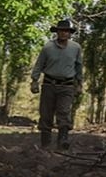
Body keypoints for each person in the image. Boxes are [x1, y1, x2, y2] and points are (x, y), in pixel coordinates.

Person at [30, 18, 83, 150]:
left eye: (67, 31)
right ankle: (45, 144)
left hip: (67, 85)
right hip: (49, 84)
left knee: (64, 112)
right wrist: (34, 80)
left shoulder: (75, 48)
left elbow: (79, 66)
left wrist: (80, 83)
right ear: (57, 32)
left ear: (70, 33)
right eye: (61, 31)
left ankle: (63, 141)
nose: (64, 33)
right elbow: (39, 64)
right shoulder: (48, 47)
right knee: (46, 113)